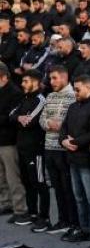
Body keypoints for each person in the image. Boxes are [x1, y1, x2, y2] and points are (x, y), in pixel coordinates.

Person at [59, 74, 90, 244]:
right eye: (74, 89)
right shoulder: (73, 107)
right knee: (79, 197)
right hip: (73, 158)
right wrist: (64, 140)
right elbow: (63, 127)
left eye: (77, 89)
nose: (75, 92)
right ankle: (85, 228)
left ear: (88, 87)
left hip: (86, 159)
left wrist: (73, 142)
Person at [39, 65, 77, 235]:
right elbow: (41, 119)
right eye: (50, 78)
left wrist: (60, 126)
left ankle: (73, 222)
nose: (51, 81)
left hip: (64, 149)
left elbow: (74, 122)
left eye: (54, 78)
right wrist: (49, 124)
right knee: (57, 187)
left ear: (64, 77)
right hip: (49, 147)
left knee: (68, 187)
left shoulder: (73, 96)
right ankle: (63, 220)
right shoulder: (50, 96)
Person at [11, 69, 48, 228]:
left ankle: (44, 217)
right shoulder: (24, 97)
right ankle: (32, 213)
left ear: (35, 82)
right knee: (27, 181)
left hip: (35, 149)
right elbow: (11, 115)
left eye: (26, 81)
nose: (22, 84)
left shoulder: (40, 99)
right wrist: (19, 117)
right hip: (22, 146)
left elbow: (30, 121)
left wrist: (21, 118)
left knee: (39, 182)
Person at [0, 62, 29, 225]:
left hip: (9, 141)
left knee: (13, 177)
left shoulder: (15, 92)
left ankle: (20, 209)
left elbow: (12, 117)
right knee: (0, 177)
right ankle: (5, 203)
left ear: (4, 76)